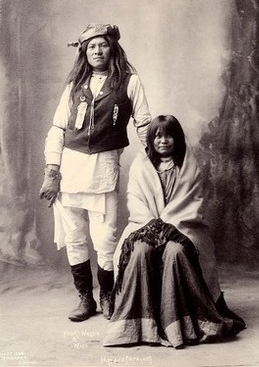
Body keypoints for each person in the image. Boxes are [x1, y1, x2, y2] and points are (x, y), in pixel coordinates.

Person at [39, 23, 151, 322]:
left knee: (105, 238)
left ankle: (107, 295)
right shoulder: (75, 85)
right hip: (70, 169)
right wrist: (52, 171)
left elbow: (143, 125)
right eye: (91, 47)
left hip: (103, 170)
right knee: (75, 236)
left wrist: (156, 160)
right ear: (84, 52)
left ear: (112, 47)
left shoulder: (130, 82)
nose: (97, 51)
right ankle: (85, 298)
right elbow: (58, 128)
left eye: (102, 45)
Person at [103, 115, 246, 348]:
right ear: (151, 139)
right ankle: (137, 326)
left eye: (169, 136)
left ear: (177, 139)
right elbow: (135, 200)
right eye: (158, 136)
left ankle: (179, 323)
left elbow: (193, 203)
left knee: (176, 252)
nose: (164, 141)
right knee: (139, 251)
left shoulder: (189, 166)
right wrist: (152, 225)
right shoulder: (141, 164)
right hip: (145, 225)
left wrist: (169, 227)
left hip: (183, 226)